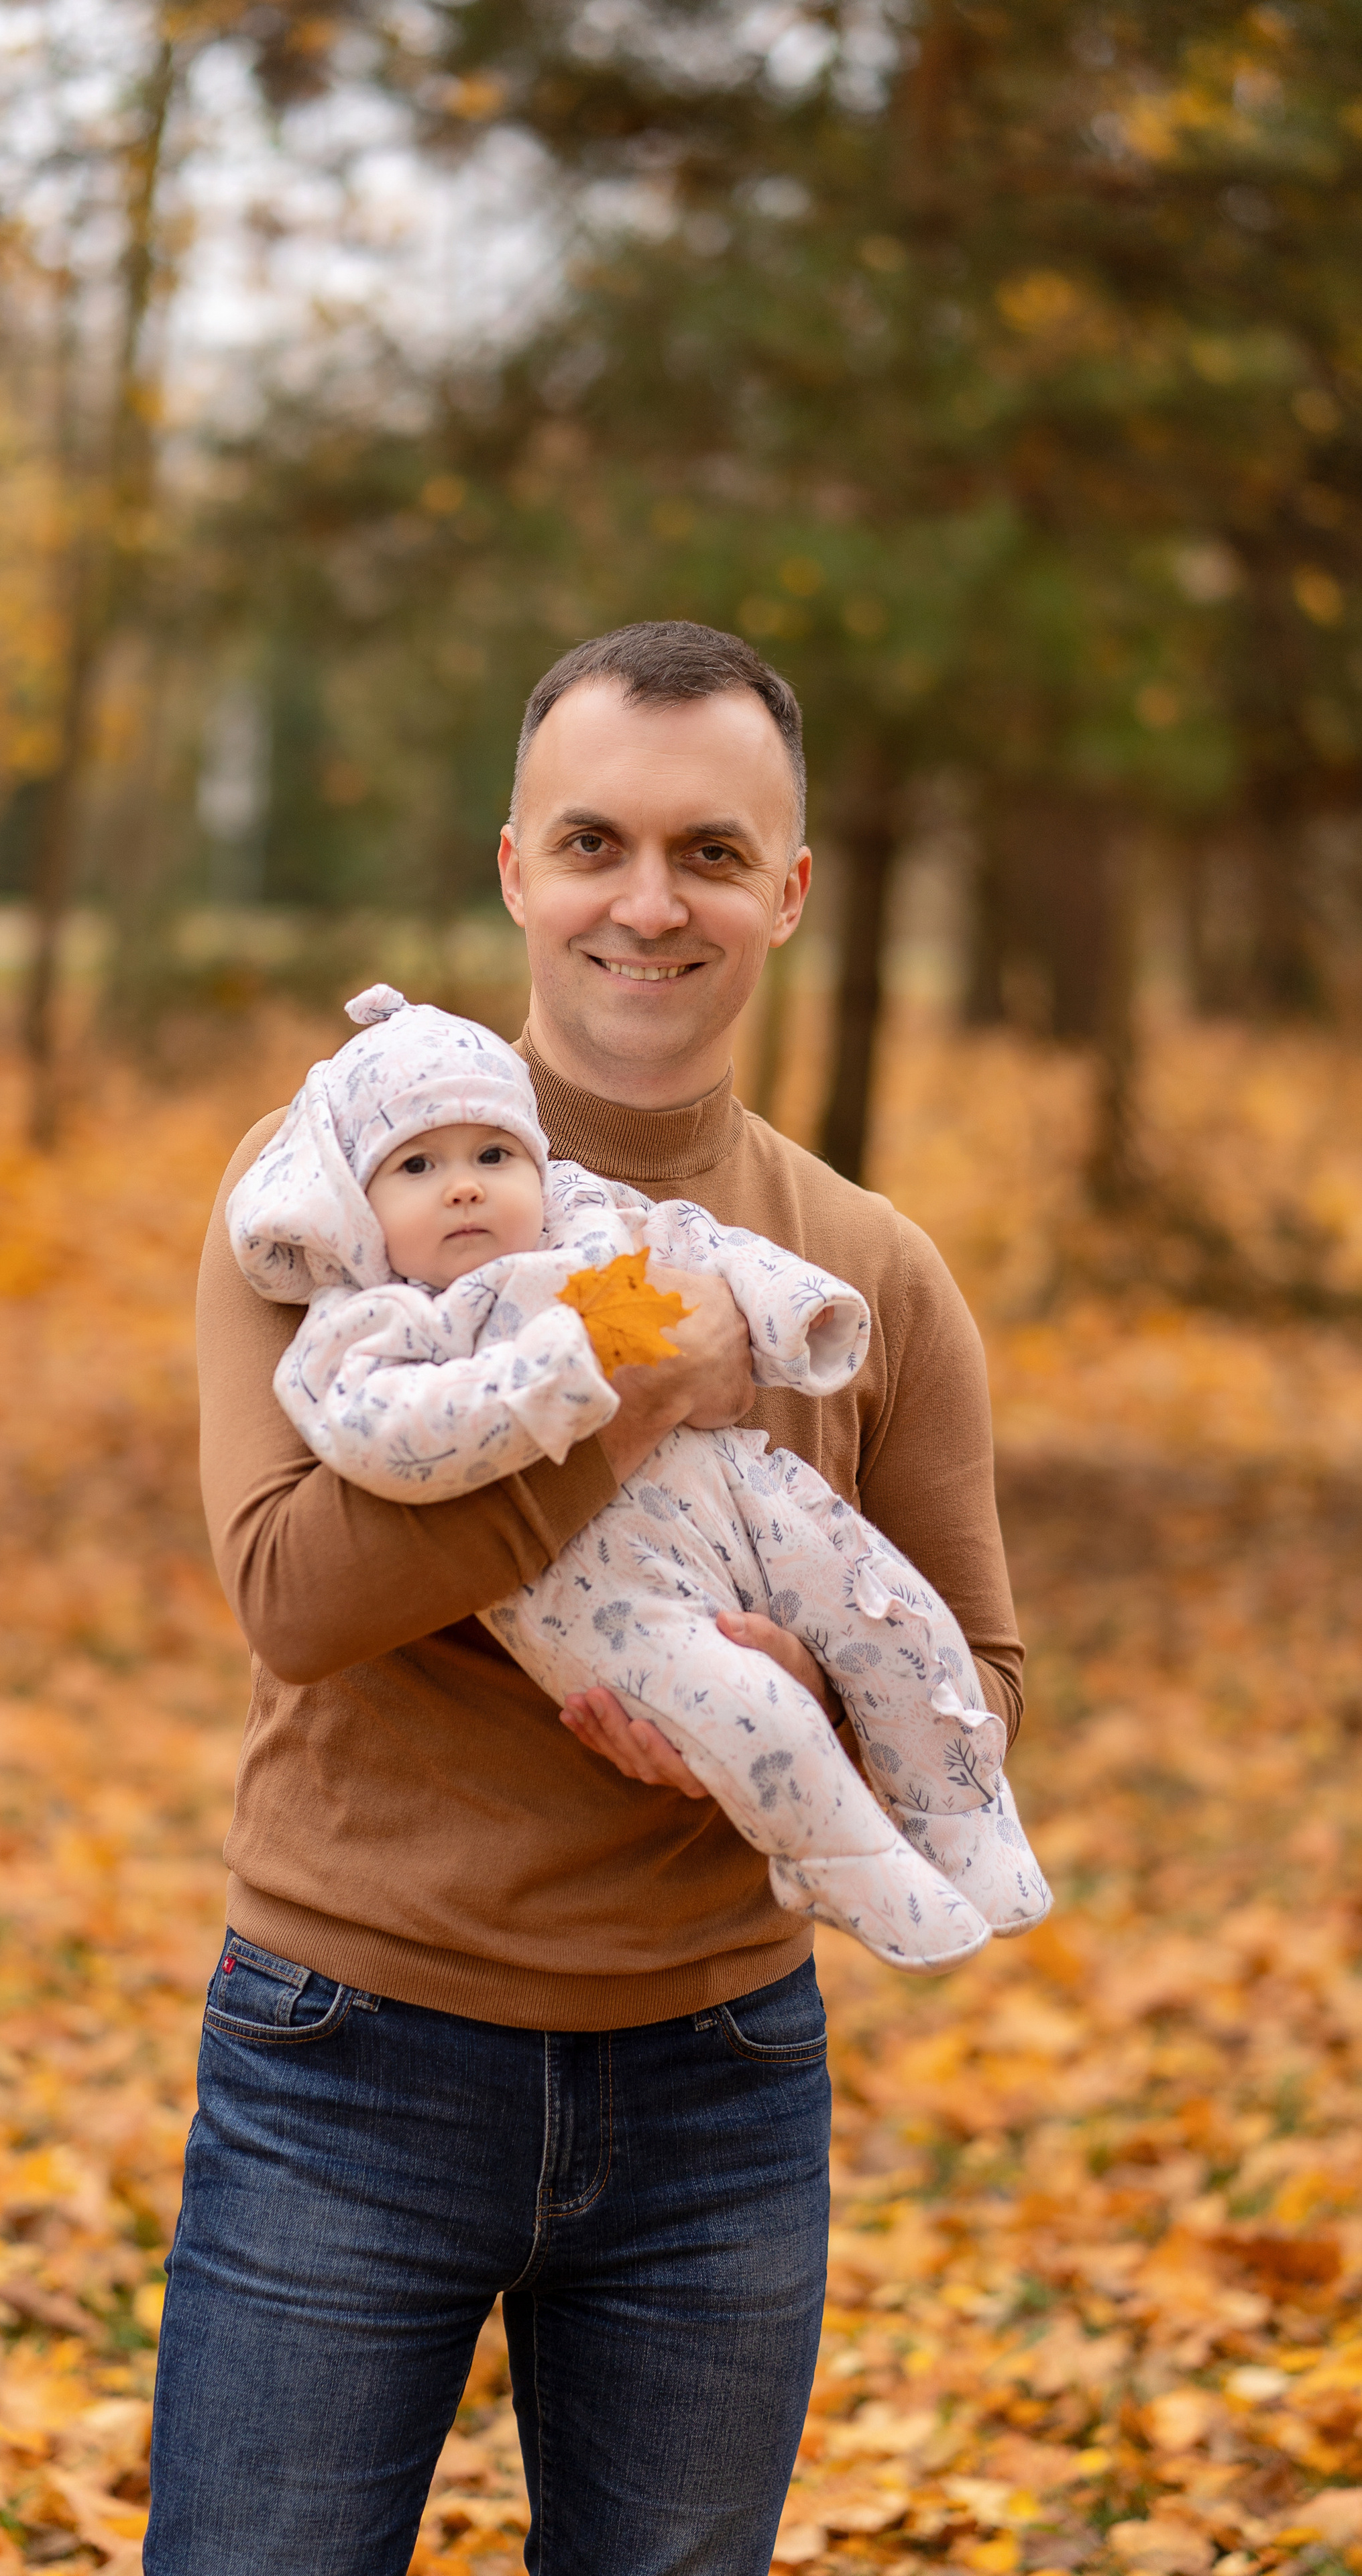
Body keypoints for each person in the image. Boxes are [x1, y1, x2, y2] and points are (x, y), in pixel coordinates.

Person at [146, 621, 1025, 2576]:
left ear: (789, 891)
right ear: (513, 871)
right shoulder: (331, 1190)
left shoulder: (866, 1268)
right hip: (345, 2054)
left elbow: (982, 1676)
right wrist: (623, 1401)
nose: (648, 903)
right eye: (593, 844)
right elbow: (290, 1594)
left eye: (710, 853)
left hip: (720, 2091)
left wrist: (804, 1702)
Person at [224, 981, 1049, 1970]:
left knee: (890, 1612)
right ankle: (845, 1862)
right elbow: (332, 1518)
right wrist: (606, 1380)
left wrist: (790, 1312)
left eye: (493, 1156)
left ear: (787, 901)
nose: (465, 1187)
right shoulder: (376, 1304)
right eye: (417, 1165)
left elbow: (706, 1247)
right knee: (752, 1709)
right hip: (359, 1984)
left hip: (728, 2015)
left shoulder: (608, 1223)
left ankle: (959, 1823)